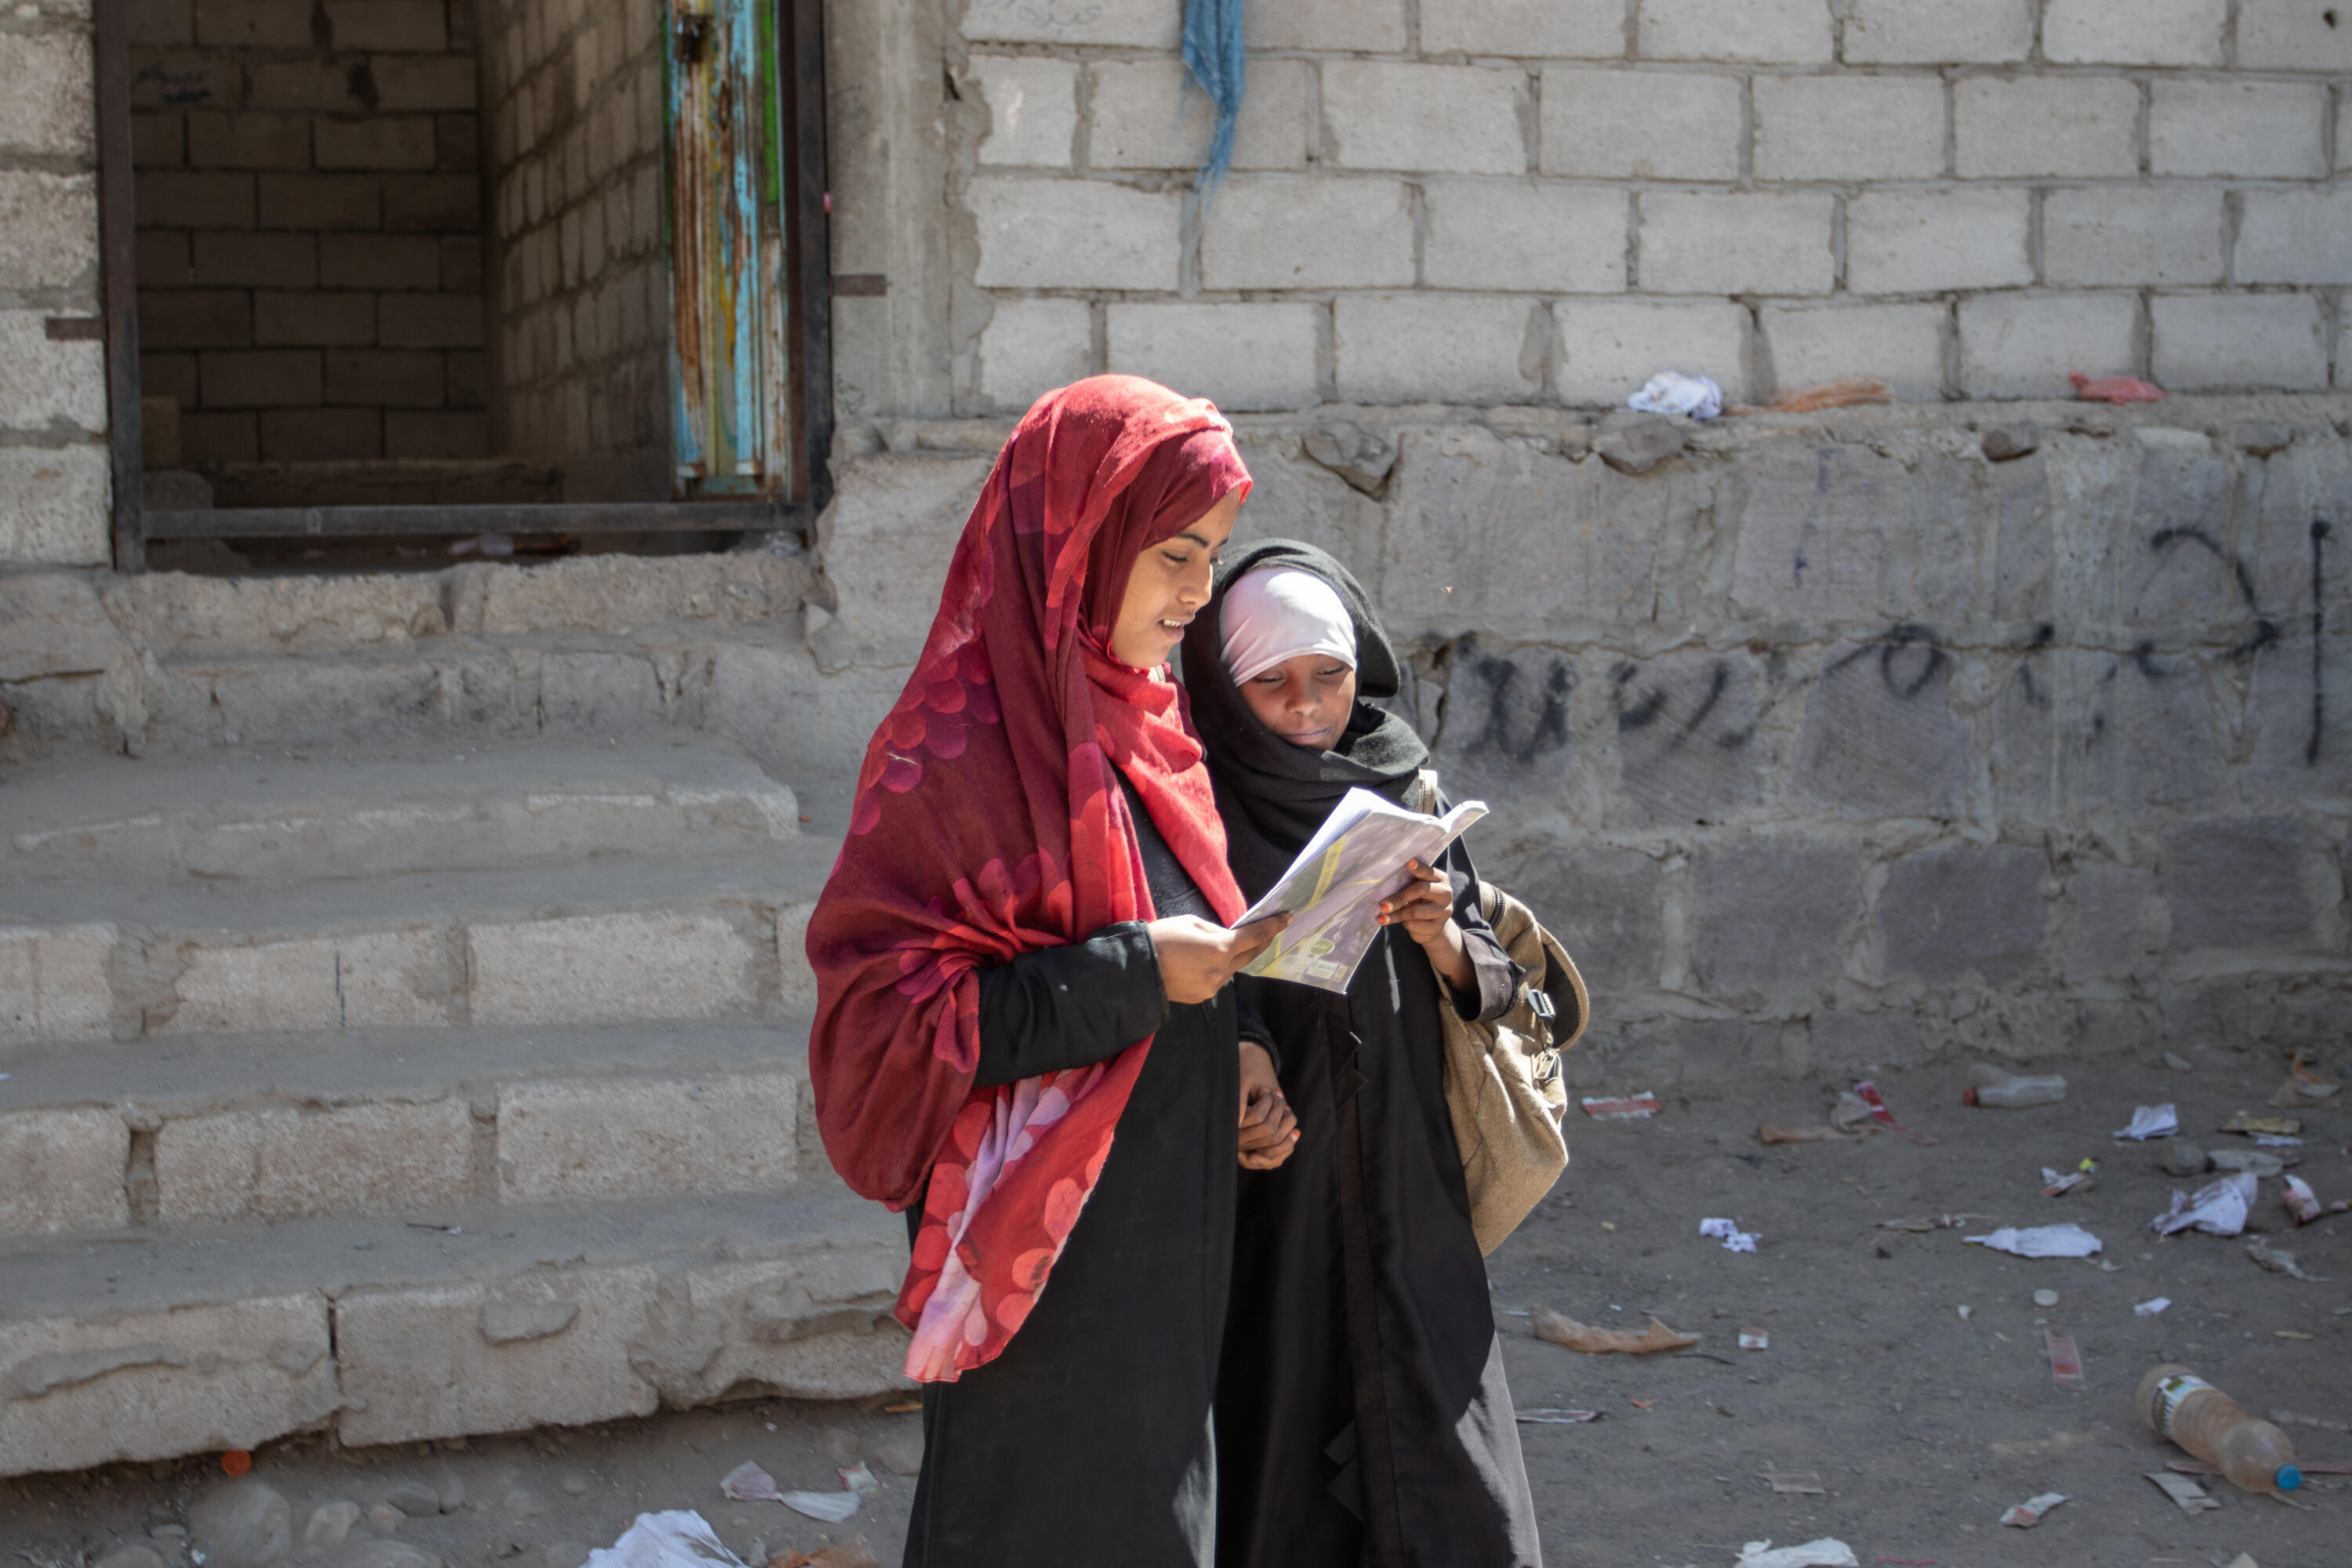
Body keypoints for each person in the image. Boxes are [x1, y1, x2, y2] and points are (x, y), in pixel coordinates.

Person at [804, 376, 1300, 1568]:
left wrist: (1237, 1049)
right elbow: (883, 1026)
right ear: (1085, 541)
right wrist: (1135, 977)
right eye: (1173, 556)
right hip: (1039, 1272)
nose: (1196, 595)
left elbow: (1191, 932)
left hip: (1167, 1241)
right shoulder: (956, 755)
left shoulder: (1151, 728)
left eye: (1211, 559)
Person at [1184, 539, 1544, 1568]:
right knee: (1282, 1419)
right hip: (1277, 1178)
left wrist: (1439, 932)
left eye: (1328, 678)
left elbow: (1499, 986)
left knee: (1437, 1439)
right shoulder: (1199, 798)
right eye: (1272, 684)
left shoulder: (1404, 782)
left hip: (1402, 1170)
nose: (1305, 708)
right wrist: (1240, 1049)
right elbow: (1180, 974)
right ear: (1224, 682)